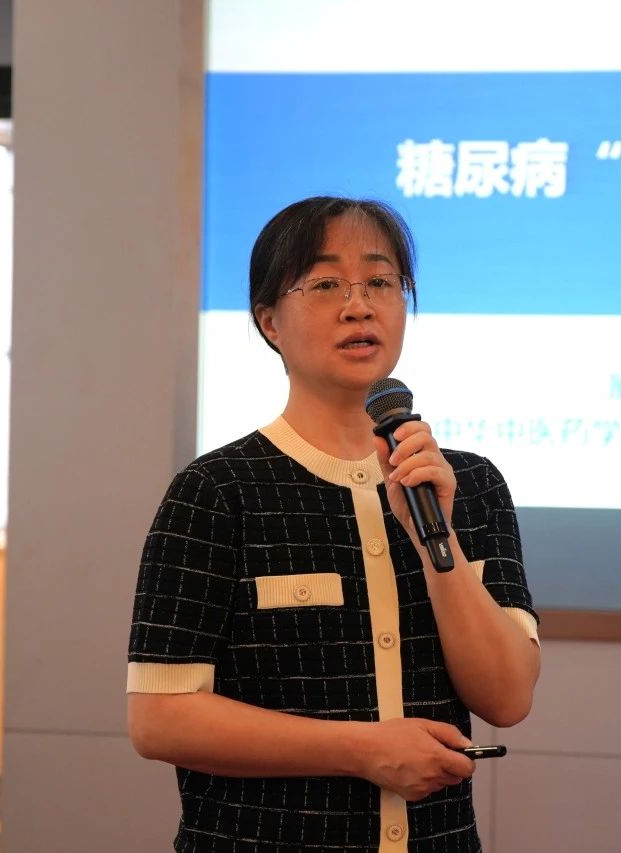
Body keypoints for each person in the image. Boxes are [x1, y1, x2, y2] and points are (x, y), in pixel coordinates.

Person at [126, 196, 540, 852]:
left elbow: (508, 696)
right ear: (269, 320)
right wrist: (362, 749)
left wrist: (437, 543)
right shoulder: (216, 492)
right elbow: (160, 718)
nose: (359, 306)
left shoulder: (469, 484)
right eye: (325, 285)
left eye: (380, 282)